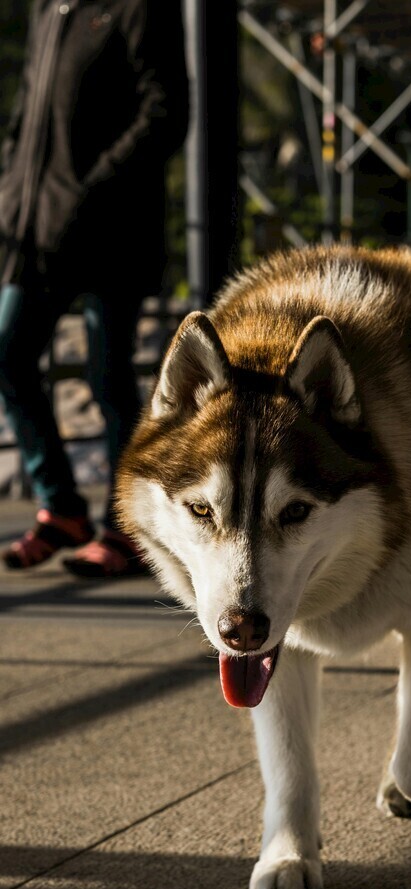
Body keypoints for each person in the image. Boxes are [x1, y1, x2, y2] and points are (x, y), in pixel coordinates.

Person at [0, 0, 188, 576]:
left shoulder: (138, 9)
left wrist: (93, 190)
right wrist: (10, 188)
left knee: (108, 378)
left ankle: (125, 528)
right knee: (7, 354)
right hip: (35, 229)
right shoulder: (50, 10)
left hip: (110, 233)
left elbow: (167, 112)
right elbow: (27, 113)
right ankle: (61, 509)